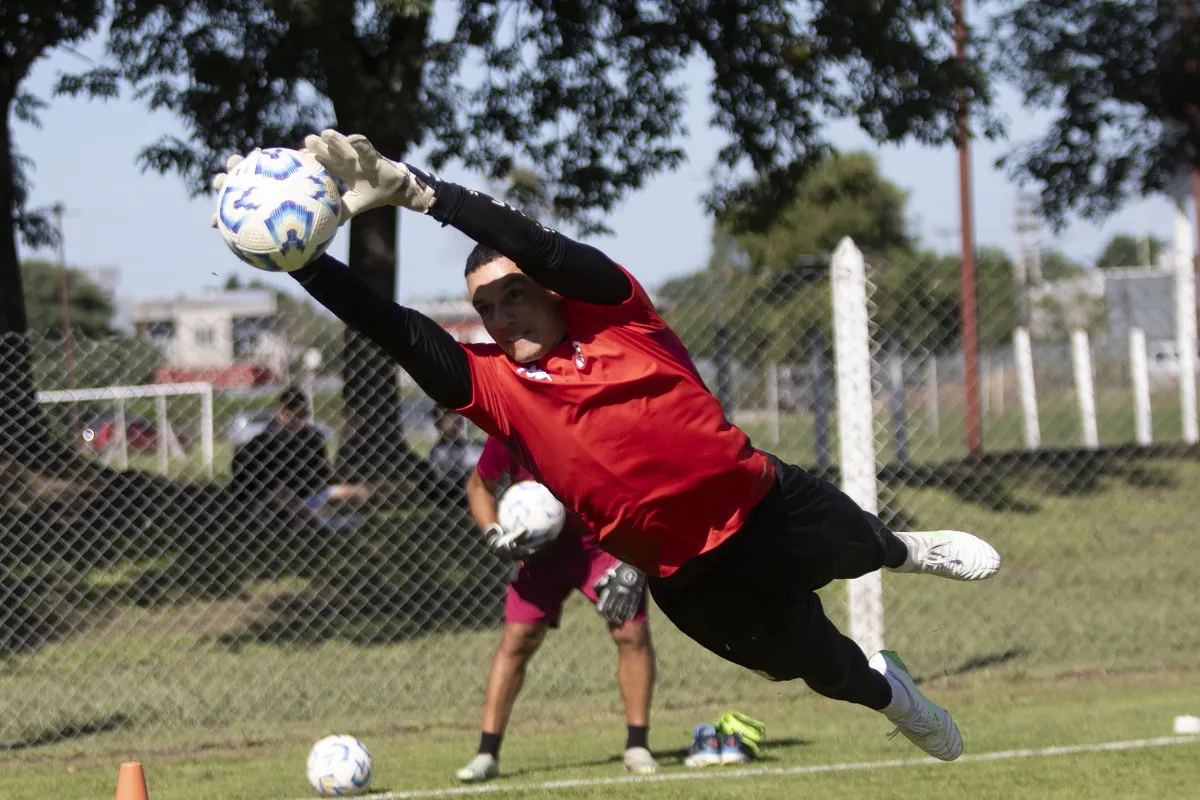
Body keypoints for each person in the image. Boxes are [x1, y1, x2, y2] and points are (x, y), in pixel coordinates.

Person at [213, 131, 1001, 762]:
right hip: (684, 574)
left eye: (515, 292)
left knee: (863, 545)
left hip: (759, 506)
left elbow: (537, 242)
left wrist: (420, 193)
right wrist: (304, 264)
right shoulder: (492, 387)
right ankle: (898, 699)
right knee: (823, 668)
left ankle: (908, 550)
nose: (501, 314)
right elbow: (395, 329)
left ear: (551, 293)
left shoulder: (621, 314)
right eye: (485, 306)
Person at [455, 435, 658, 782]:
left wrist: (635, 560)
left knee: (631, 632)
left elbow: (644, 488)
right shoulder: (511, 427)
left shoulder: (593, 422)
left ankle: (637, 745)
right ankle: (486, 754)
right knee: (516, 640)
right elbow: (479, 487)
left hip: (600, 546)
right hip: (539, 553)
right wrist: (493, 534)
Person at [232, 385, 371, 529]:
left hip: (309, 494)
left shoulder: (314, 437)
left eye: (302, 414)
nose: (299, 420)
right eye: (293, 414)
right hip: (278, 499)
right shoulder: (265, 441)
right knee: (280, 496)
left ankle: (318, 516)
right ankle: (321, 521)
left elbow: (322, 476)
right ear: (281, 413)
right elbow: (258, 486)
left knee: (360, 491)